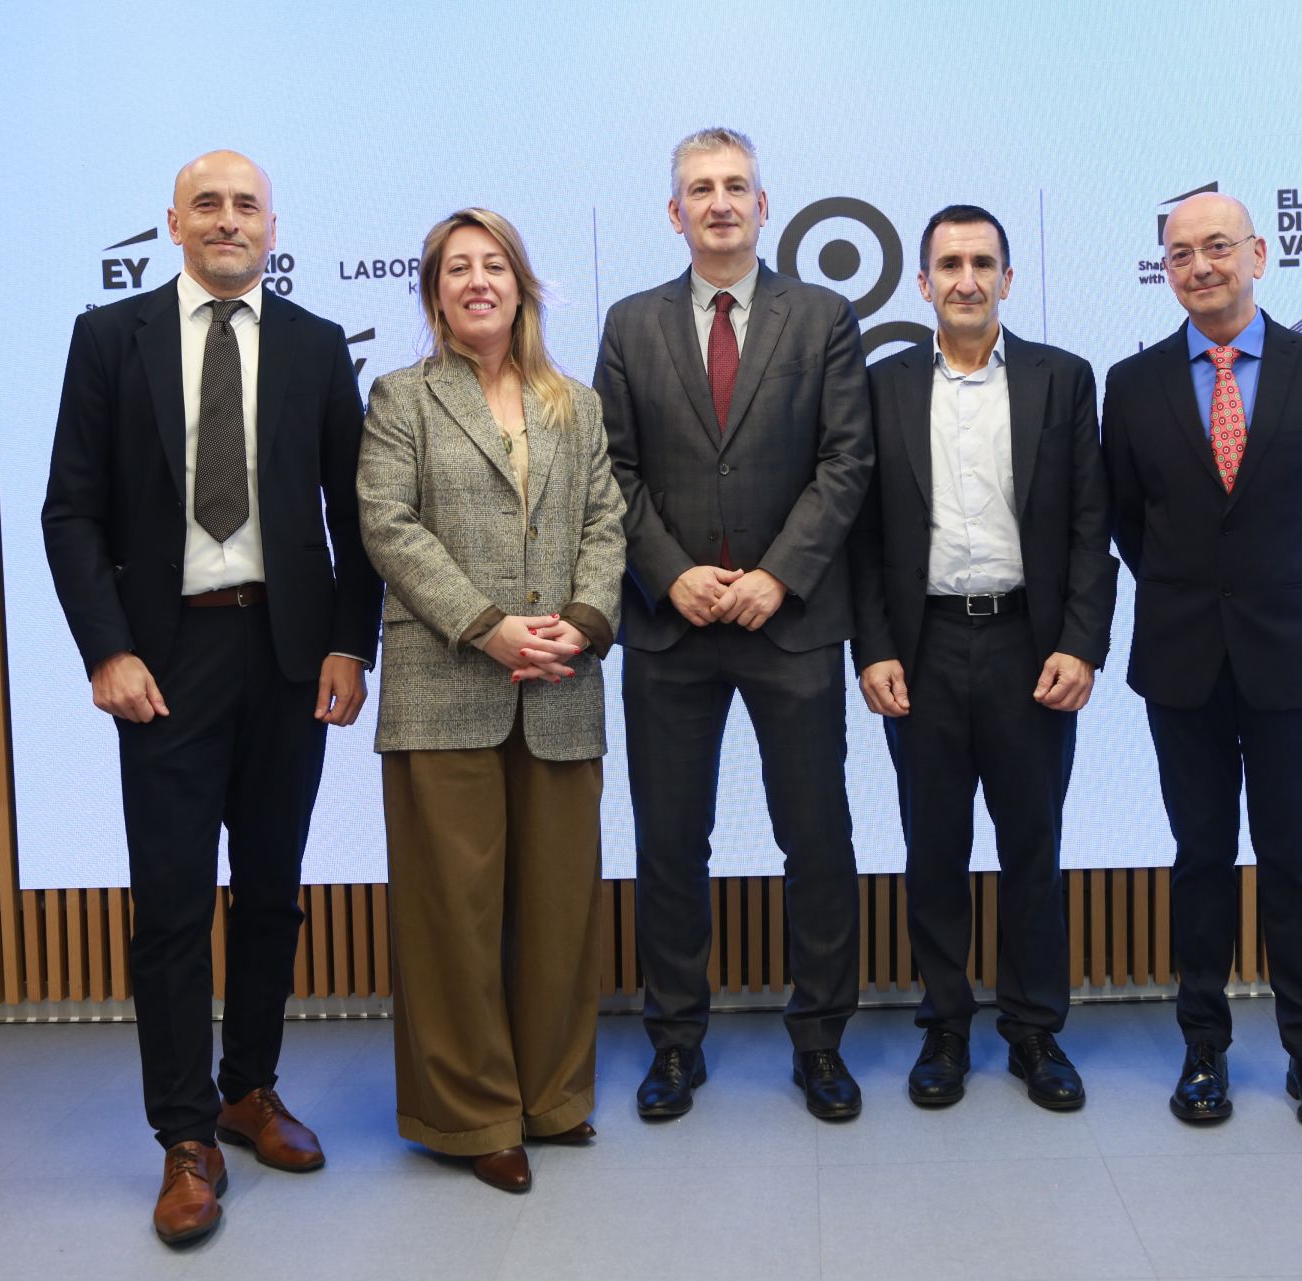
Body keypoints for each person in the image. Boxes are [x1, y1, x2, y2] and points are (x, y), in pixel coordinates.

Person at [42, 150, 381, 1244]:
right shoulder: (111, 338)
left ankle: (250, 1089)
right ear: (173, 222)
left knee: (272, 893)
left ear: (272, 227)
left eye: (246, 205)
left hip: (287, 653)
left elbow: (355, 516)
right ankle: (185, 1136)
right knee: (174, 906)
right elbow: (70, 512)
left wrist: (351, 643)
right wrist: (106, 650)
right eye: (208, 204)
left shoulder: (317, 345)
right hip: (166, 659)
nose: (228, 220)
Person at [594, 127, 874, 1121]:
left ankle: (821, 1041)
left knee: (817, 838)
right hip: (671, 630)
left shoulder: (823, 316)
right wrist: (668, 574)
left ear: (764, 205)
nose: (720, 202)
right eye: (700, 189)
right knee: (671, 844)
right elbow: (612, 471)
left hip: (790, 625)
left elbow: (847, 461)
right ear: (674, 212)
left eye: (736, 186)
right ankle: (675, 1044)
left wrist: (778, 577)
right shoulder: (629, 324)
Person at [1101, 192, 1302, 1132]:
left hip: (1292, 652)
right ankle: (1204, 1048)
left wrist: (1290, 592)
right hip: (1181, 655)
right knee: (1199, 857)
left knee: (1292, 854)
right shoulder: (1132, 384)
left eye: (1218, 246)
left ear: (1258, 254)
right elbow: (1129, 521)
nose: (1201, 266)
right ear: (1167, 271)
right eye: (1181, 254)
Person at [358, 208, 625, 1193]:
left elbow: (606, 523)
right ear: (435, 294)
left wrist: (583, 622)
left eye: (494, 265)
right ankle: (473, 1117)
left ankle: (551, 1098)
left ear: (522, 286)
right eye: (457, 268)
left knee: (560, 912)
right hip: (445, 684)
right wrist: (487, 625)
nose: (478, 281)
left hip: (561, 682)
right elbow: (389, 527)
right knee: (454, 918)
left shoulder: (576, 405)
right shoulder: (403, 397)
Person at [849, 205, 1116, 1110]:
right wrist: (873, 648)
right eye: (950, 264)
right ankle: (946, 1028)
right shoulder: (880, 385)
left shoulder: (1062, 379)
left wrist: (1081, 642)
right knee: (934, 847)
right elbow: (861, 537)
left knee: (1032, 845)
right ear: (922, 282)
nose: (967, 279)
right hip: (920, 648)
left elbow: (1090, 525)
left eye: (983, 262)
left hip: (1027, 645)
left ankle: (1035, 1031)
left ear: (1008, 277)